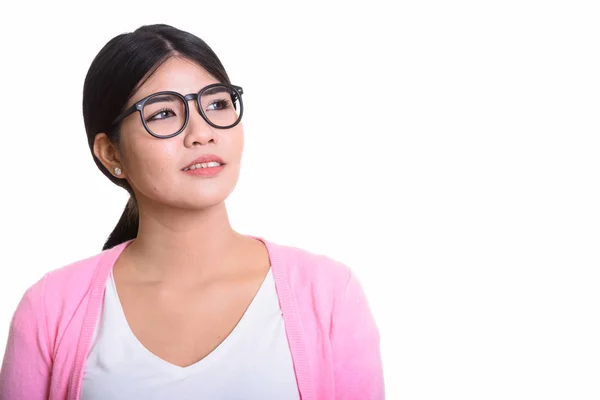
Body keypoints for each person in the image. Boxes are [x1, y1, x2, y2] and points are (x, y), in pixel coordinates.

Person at [0, 24, 384, 399]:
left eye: (217, 103)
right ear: (111, 153)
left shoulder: (330, 294)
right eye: (164, 113)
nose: (202, 132)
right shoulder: (49, 309)